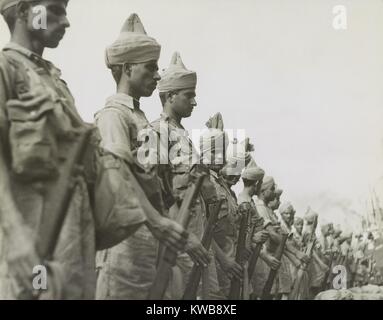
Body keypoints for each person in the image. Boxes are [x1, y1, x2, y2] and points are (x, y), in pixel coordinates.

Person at [0, 0, 153, 300]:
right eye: (54, 10)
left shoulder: (55, 81)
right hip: (34, 243)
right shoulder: (7, 69)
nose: (66, 22)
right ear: (22, 11)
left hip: (71, 242)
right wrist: (17, 239)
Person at [94, 14, 187, 300]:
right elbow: (117, 176)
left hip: (152, 246)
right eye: (150, 68)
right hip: (124, 248)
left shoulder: (141, 120)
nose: (157, 76)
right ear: (127, 68)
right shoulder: (113, 116)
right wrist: (159, 224)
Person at [151, 52, 213, 299]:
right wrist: (184, 238)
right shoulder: (156, 133)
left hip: (195, 241)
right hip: (176, 244)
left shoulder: (184, 137)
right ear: (169, 96)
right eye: (189, 96)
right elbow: (156, 194)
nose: (194, 102)